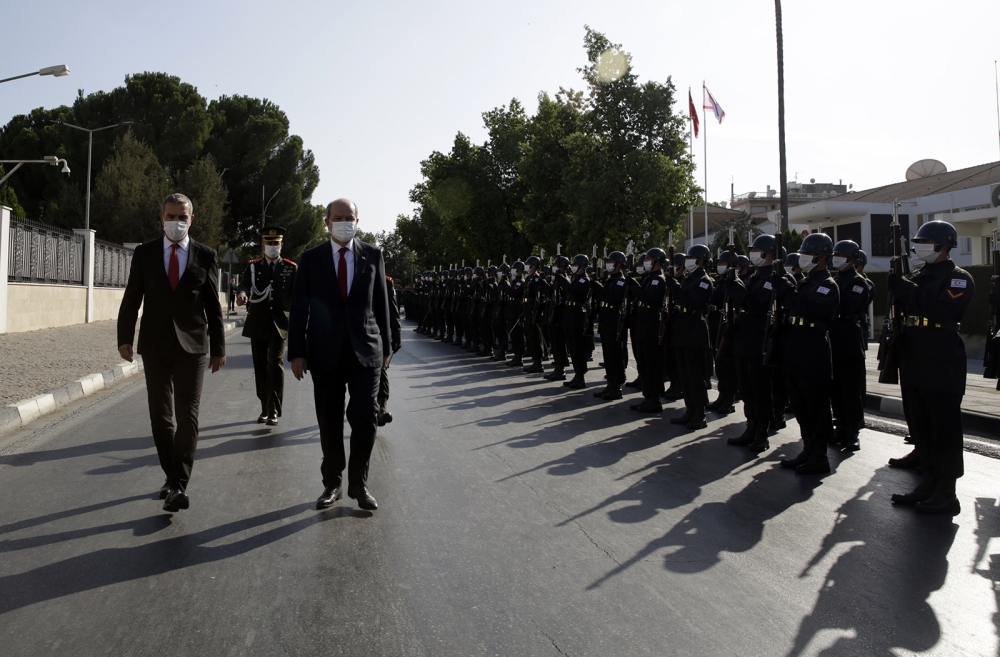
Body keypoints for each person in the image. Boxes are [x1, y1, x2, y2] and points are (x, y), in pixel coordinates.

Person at [117, 193, 226, 513]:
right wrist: (124, 337)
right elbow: (132, 296)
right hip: (154, 344)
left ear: (192, 219)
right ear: (161, 218)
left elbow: (213, 307)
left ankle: (179, 484)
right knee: (160, 417)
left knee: (187, 414)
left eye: (182, 216)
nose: (176, 222)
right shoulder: (145, 253)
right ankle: (170, 476)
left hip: (192, 345)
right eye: (170, 216)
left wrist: (218, 347)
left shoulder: (206, 255)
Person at [289, 198, 390, 512]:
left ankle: (359, 484)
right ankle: (332, 482)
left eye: (349, 217)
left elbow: (382, 304)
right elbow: (299, 308)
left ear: (357, 221)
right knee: (329, 420)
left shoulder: (373, 255)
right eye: (337, 217)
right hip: (325, 353)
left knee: (366, 418)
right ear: (327, 222)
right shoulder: (311, 259)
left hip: (366, 353)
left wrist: (386, 348)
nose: (344, 222)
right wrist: (296, 352)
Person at [887, 220, 974, 515]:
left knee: (944, 429)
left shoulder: (958, 278)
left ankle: (946, 492)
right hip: (914, 355)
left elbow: (941, 310)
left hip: (941, 357)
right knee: (920, 424)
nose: (919, 248)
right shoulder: (915, 275)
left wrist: (905, 289)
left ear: (943, 245)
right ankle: (928, 482)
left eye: (925, 243)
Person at [771, 233, 840, 475]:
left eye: (807, 255)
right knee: (800, 405)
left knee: (815, 406)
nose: (802, 259)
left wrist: (786, 287)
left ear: (821, 257)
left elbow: (808, 307)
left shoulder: (827, 285)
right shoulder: (805, 281)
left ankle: (819, 455)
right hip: (795, 348)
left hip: (813, 351)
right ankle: (808, 448)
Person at [236, 226, 296, 426]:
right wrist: (242, 293)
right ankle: (264, 407)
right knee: (261, 367)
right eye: (269, 243)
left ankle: (275, 410)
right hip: (258, 323)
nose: (273, 246)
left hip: (280, 324)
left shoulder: (290, 268)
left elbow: (297, 296)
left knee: (275, 363)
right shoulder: (253, 267)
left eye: (276, 243)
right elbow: (244, 284)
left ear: (281, 245)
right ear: (263, 245)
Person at [726, 235, 780, 451]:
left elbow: (757, 306)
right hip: (745, 339)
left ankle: (761, 433)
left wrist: (736, 289)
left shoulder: (771, 279)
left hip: (759, 339)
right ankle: (750, 426)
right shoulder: (756, 277)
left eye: (757, 250)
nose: (752, 253)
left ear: (768, 253)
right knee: (746, 388)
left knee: (760, 389)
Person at [665, 244, 714, 430]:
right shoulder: (687, 279)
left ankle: (700, 414)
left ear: (701, 261)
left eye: (691, 258)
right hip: (682, 329)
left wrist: (674, 286)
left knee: (695, 376)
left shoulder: (704, 281)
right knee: (684, 374)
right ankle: (690, 409)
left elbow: (691, 301)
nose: (688, 261)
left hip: (695, 330)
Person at [827, 240, 870, 451]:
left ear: (852, 260)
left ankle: (853, 431)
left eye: (841, 256)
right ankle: (841, 427)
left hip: (848, 335)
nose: (837, 259)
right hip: (833, 334)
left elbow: (848, 304)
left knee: (850, 388)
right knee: (835, 387)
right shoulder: (835, 279)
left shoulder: (858, 282)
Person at [629, 248, 668, 413]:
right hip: (642, 323)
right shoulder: (649, 278)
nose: (645, 261)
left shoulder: (658, 279)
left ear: (657, 261)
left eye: (648, 258)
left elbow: (647, 298)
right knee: (643, 361)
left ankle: (655, 398)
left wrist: (633, 285)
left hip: (651, 324)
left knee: (652, 362)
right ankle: (647, 396)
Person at [593, 251, 629, 400]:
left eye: (611, 261)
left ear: (619, 264)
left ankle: (617, 386)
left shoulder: (620, 280)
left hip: (614, 319)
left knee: (615, 354)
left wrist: (597, 287)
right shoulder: (610, 279)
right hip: (605, 319)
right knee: (607, 354)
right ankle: (610, 383)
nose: (608, 264)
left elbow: (612, 298)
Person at [378, 276, 403, 426]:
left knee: (381, 369)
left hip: (377, 335)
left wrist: (397, 335)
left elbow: (393, 310)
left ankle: (382, 407)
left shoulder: (385, 282)